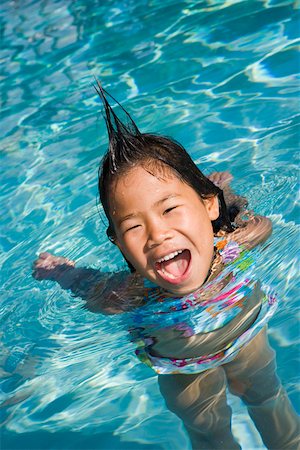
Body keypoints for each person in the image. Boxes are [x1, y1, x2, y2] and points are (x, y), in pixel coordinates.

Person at [33, 83, 299, 450]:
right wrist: (63, 272)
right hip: (181, 368)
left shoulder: (230, 245)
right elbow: (93, 289)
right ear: (119, 243)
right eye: (133, 226)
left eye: (170, 208)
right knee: (210, 432)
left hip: (245, 331)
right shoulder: (134, 290)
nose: (157, 234)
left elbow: (256, 224)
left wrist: (234, 203)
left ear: (208, 206)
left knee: (267, 398)